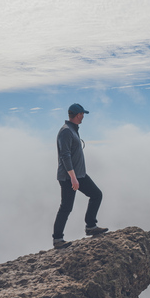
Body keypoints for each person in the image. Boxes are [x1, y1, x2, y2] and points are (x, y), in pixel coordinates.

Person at [52, 103, 108, 249]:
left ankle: (91, 226)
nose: (83, 117)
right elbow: (65, 156)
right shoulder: (66, 131)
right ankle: (57, 239)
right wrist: (73, 177)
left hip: (79, 175)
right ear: (78, 115)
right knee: (66, 207)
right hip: (69, 177)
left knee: (96, 195)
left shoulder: (72, 130)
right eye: (82, 114)